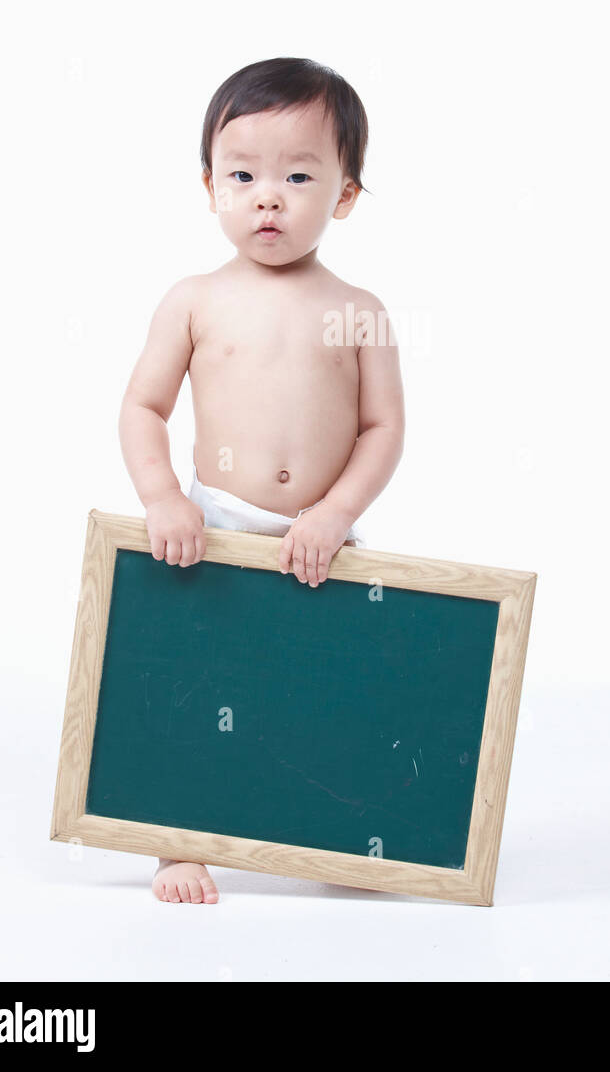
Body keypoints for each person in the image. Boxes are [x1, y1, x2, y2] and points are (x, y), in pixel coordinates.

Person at [118, 57, 405, 903]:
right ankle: (180, 841)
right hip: (217, 531)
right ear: (211, 186)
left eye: (298, 175)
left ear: (345, 195)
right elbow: (142, 406)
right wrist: (164, 497)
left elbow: (384, 429)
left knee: (333, 694)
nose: (266, 196)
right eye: (242, 174)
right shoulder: (195, 299)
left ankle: (341, 838)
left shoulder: (359, 309)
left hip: (324, 538)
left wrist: (334, 513)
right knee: (202, 689)